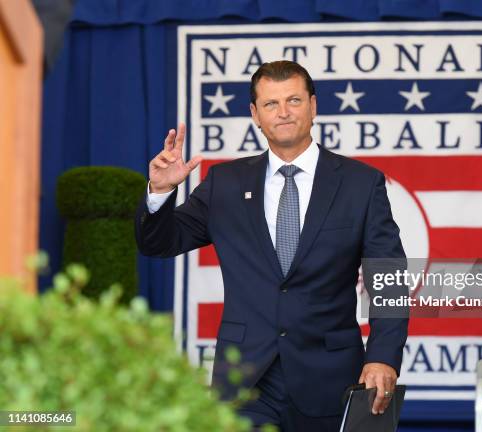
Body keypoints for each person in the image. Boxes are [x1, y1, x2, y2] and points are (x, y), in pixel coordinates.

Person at [135, 60, 408, 431]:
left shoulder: (361, 184)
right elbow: (159, 243)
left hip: (331, 378)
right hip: (246, 383)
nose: (283, 112)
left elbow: (388, 278)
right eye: (270, 104)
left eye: (293, 100)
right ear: (255, 115)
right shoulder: (224, 183)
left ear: (313, 107)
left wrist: (383, 358)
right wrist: (161, 192)